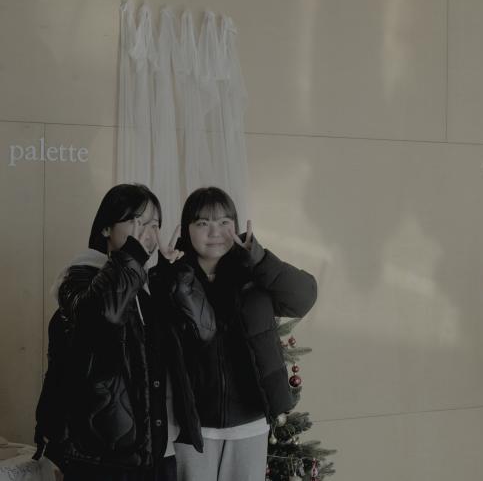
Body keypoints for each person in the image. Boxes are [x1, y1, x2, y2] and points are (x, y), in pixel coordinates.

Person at [34, 183, 215, 480]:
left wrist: (177, 274)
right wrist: (132, 255)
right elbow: (102, 317)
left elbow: (204, 332)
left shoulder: (149, 286)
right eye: (137, 221)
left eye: (154, 224)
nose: (147, 232)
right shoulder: (78, 278)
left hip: (157, 447)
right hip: (101, 454)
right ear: (106, 228)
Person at [167, 187, 317, 481]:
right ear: (187, 229)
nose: (215, 232)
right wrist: (165, 272)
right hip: (193, 426)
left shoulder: (254, 271)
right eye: (203, 223)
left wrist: (260, 260)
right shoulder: (174, 277)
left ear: (235, 226)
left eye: (224, 222)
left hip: (249, 421)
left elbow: (303, 298)